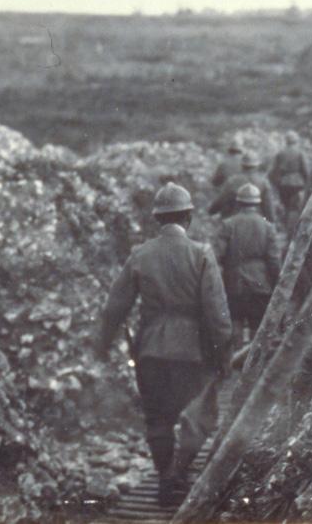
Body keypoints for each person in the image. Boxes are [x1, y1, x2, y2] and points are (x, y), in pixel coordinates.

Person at [95, 182, 233, 505]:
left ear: (158, 219)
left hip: (150, 350)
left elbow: (115, 307)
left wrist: (102, 345)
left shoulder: (140, 255)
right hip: (192, 351)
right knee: (196, 414)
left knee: (158, 419)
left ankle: (164, 478)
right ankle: (179, 472)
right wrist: (223, 354)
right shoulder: (202, 254)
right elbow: (217, 313)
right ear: (188, 217)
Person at [215, 183, 282, 349]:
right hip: (260, 284)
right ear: (258, 204)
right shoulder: (268, 227)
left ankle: (235, 359)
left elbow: (217, 255)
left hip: (234, 282)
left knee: (235, 320)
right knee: (257, 324)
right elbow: (273, 260)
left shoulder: (228, 224)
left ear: (239, 203)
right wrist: (276, 283)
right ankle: (252, 362)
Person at [208, 151, 276, 222]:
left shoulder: (232, 181)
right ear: (256, 166)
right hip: (256, 220)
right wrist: (271, 222)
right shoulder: (263, 182)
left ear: (242, 166)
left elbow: (221, 200)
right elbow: (268, 207)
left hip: (233, 219)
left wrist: (211, 211)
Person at [269, 131, 310, 233]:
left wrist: (275, 182)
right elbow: (305, 170)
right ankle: (291, 228)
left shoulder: (280, 153)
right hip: (297, 183)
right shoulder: (300, 153)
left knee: (285, 204)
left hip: (283, 182)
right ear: (296, 141)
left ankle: (284, 226)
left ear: (286, 141)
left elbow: (274, 170)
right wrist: (307, 182)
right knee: (295, 206)